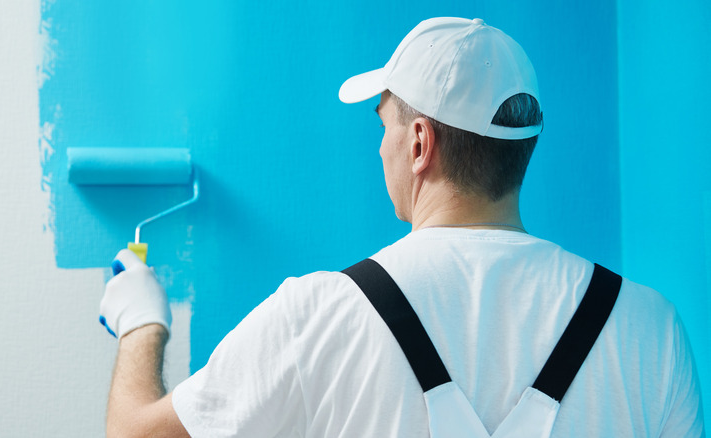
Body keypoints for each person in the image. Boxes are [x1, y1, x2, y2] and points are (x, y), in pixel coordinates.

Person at [98, 17, 705, 437]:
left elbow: (135, 434)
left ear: (420, 142)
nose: (380, 147)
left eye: (383, 124)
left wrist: (142, 322)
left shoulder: (319, 315)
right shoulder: (649, 327)